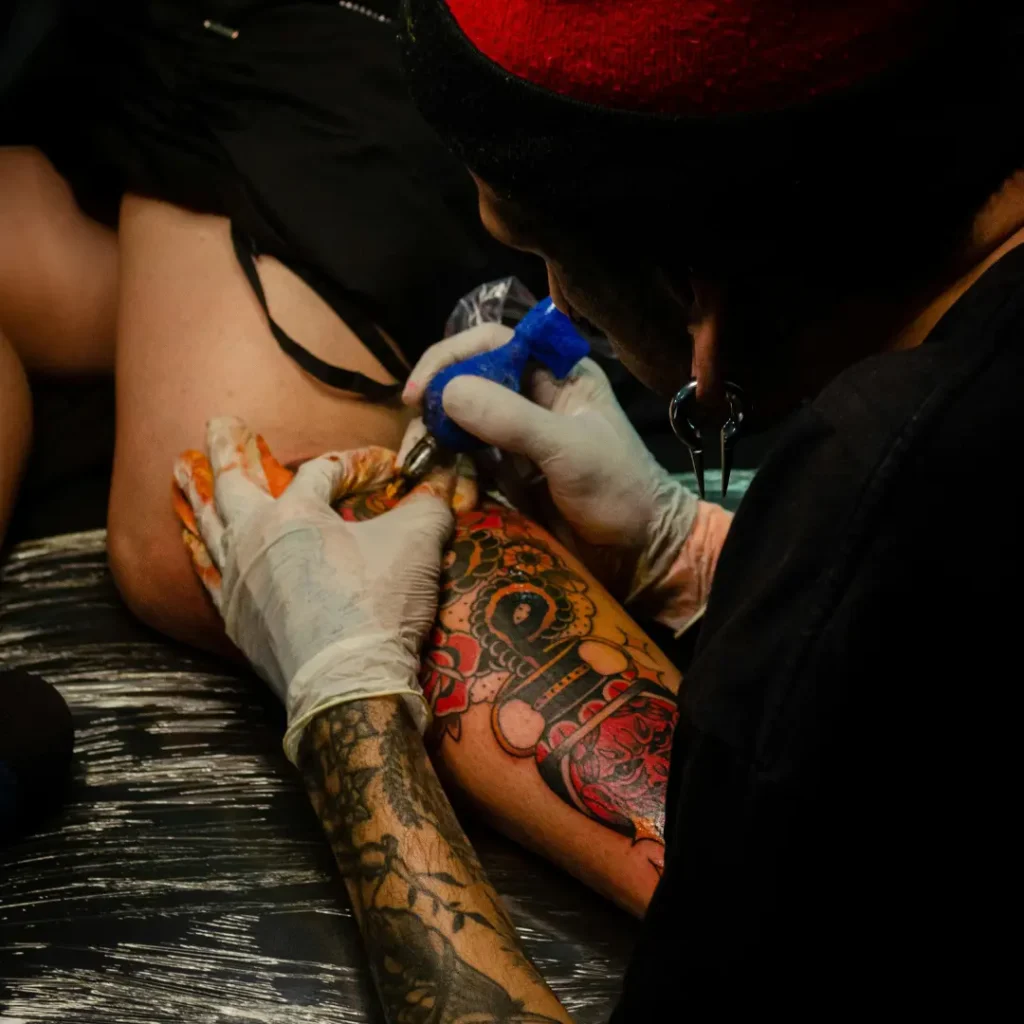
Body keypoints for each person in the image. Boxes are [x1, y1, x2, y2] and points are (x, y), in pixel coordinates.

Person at [175, 0, 1024, 1018]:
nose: (550, 307)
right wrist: (689, 555)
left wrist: (348, 707)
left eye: (545, 258)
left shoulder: (875, 504)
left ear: (699, 313)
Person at [0, 0, 535, 641]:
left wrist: (681, 561)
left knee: (235, 543)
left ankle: (667, 724)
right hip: (132, 53)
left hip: (341, 46)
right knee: (256, 551)